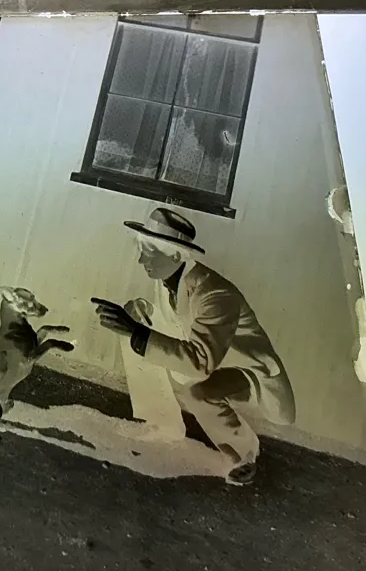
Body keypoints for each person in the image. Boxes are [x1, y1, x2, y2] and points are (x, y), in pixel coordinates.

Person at [91, 206, 295, 487]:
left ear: (176, 255)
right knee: (136, 323)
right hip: (214, 362)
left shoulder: (215, 294)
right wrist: (141, 315)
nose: (140, 259)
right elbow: (179, 322)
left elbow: (200, 363)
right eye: (141, 249)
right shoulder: (168, 278)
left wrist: (137, 331)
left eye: (149, 251)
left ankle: (242, 454)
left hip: (250, 374)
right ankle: (162, 424)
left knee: (196, 392)